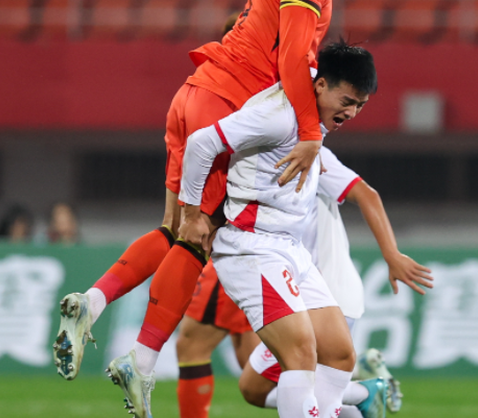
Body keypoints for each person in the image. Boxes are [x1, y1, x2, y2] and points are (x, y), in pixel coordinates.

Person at [54, 0, 355, 385]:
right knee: (199, 236)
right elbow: (289, 64)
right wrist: (309, 134)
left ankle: (94, 299)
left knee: (175, 228)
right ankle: (144, 361)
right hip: (227, 106)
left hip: (196, 91)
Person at [107, 42, 383, 418]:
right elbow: (202, 143)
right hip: (253, 250)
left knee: (339, 354)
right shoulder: (279, 115)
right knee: (298, 353)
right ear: (320, 85)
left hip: (291, 250)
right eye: (347, 100)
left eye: (360, 106)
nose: (351, 113)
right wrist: (190, 212)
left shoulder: (312, 120)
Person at [176, 146, 427, 418]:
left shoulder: (309, 152)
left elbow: (366, 193)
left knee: (299, 382)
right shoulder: (266, 152)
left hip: (320, 292)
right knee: (255, 387)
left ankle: (364, 391)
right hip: (289, 284)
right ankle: (364, 390)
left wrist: (392, 254)